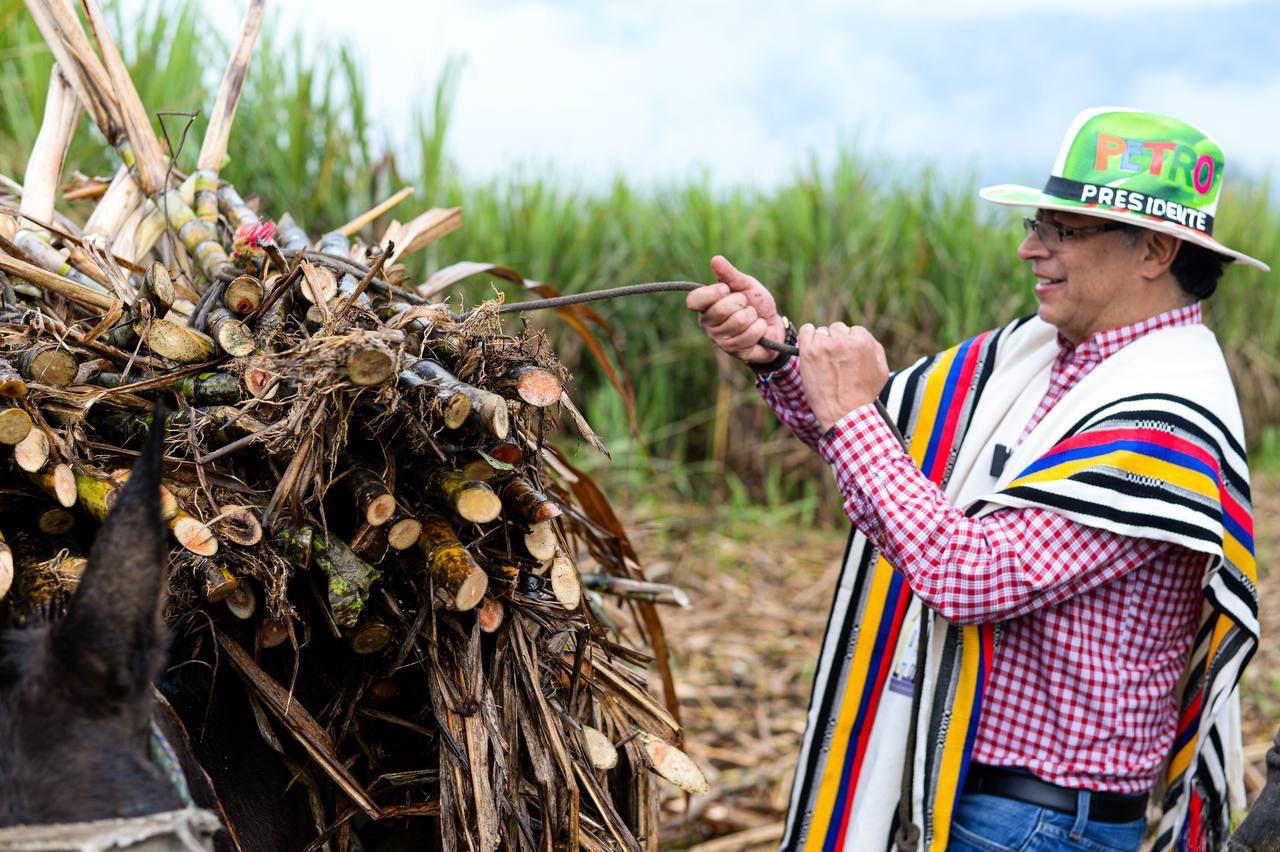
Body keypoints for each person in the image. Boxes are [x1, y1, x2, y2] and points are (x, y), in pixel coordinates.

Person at [686, 107, 1267, 852]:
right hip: (980, 798)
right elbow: (906, 460)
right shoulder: (1050, 359)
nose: (1031, 249)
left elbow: (967, 575)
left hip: (1041, 826)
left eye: (1060, 230)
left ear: (1153, 250)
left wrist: (850, 411)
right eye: (1035, 223)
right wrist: (780, 355)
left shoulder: (1164, 421)